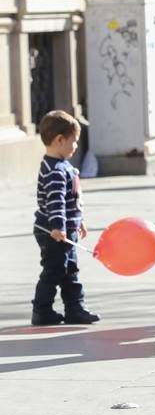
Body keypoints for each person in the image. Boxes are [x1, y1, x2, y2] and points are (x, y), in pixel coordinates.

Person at [31, 110, 98, 326]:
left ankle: (75, 309)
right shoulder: (55, 171)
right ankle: (42, 310)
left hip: (64, 230)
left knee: (70, 270)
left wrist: (79, 221)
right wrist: (58, 226)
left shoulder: (63, 166)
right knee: (54, 270)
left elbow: (72, 200)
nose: (76, 146)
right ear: (60, 140)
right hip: (53, 232)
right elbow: (55, 201)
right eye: (74, 141)